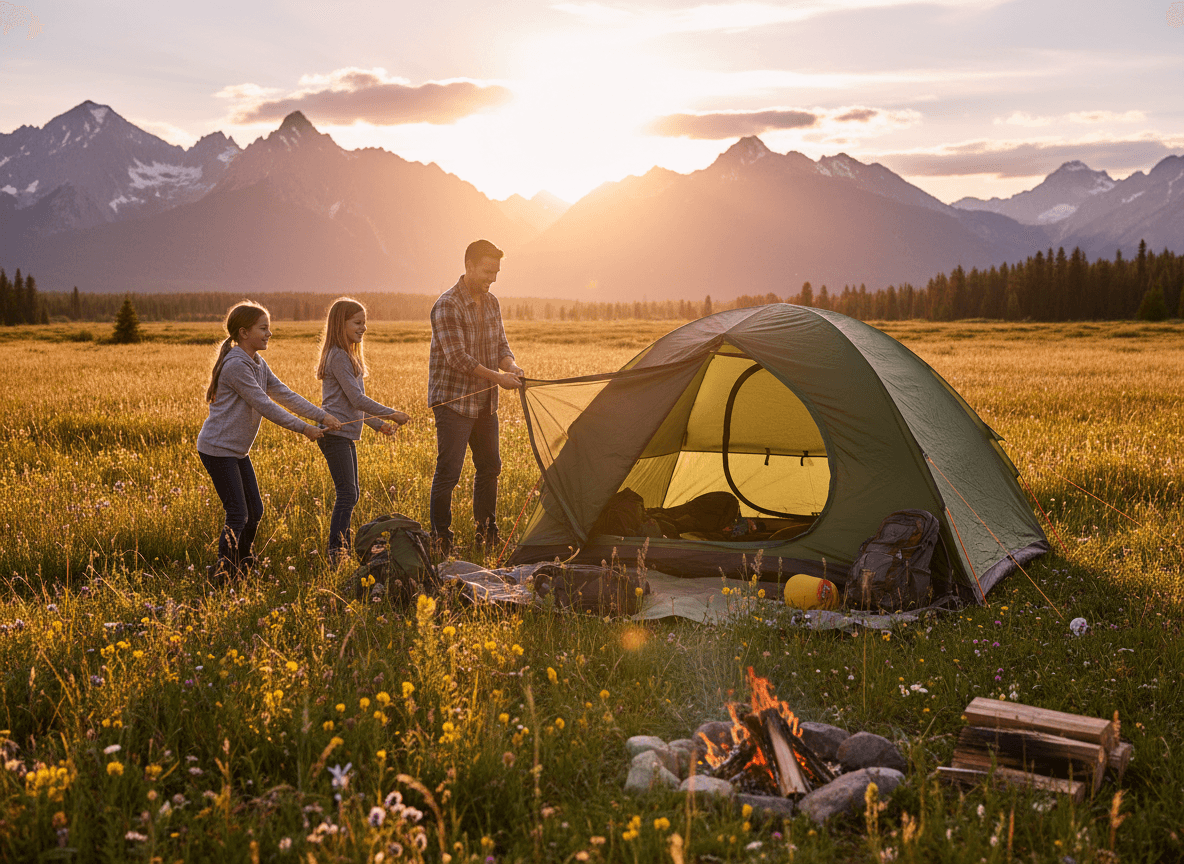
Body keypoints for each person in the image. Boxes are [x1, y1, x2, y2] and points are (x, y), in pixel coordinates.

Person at [197, 301, 342, 580]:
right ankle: (224, 571)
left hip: (236, 450)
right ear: (243, 333)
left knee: (255, 511)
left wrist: (322, 416)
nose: (269, 334)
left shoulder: (257, 363)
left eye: (269, 328)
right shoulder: (236, 366)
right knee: (238, 513)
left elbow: (284, 395)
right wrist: (304, 429)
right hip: (217, 449)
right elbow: (265, 405)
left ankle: (243, 564)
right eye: (263, 328)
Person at [428, 239, 524, 556]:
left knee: (490, 467)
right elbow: (458, 358)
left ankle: (486, 533)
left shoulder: (492, 303)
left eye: (496, 272)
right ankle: (441, 537)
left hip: (485, 404)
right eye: (487, 271)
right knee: (450, 472)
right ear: (469, 266)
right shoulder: (447, 305)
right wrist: (498, 378)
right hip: (454, 402)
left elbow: (501, 347)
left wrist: (511, 365)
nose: (492, 278)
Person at [315, 297, 410, 565]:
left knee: (351, 493)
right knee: (347, 493)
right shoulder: (338, 356)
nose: (363, 328)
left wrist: (378, 424)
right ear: (340, 324)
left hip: (344, 435)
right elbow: (357, 400)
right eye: (357, 323)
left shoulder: (350, 357)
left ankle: (341, 548)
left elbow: (355, 406)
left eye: (364, 322)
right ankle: (337, 552)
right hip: (334, 435)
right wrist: (391, 412)